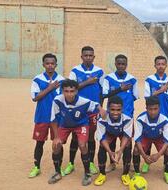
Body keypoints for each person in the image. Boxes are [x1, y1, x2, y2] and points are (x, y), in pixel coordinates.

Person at [48, 79, 106, 186]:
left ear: (76, 91)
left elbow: (95, 104)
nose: (69, 94)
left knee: (82, 145)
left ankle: (87, 173)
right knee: (56, 145)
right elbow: (53, 119)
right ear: (62, 91)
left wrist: (101, 109)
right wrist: (56, 137)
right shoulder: (57, 100)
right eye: (66, 91)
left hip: (81, 125)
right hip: (65, 125)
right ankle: (57, 172)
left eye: (72, 91)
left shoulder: (83, 101)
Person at [65, 46, 104, 175]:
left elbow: (102, 92)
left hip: (93, 111)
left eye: (90, 55)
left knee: (91, 138)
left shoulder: (99, 72)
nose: (88, 57)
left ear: (94, 57)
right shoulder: (75, 71)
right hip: (78, 110)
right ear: (81, 56)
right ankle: (71, 163)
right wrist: (87, 82)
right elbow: (71, 89)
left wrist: (100, 107)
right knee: (75, 137)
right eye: (85, 55)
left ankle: (91, 163)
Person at [28, 53, 64, 178]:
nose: (50, 66)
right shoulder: (37, 79)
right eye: (47, 63)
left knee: (58, 143)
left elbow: (65, 98)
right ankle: (37, 167)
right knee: (39, 143)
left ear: (56, 65)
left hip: (57, 118)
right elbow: (35, 97)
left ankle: (58, 169)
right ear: (43, 64)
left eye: (52, 63)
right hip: (42, 116)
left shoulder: (61, 79)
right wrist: (50, 88)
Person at [102, 54, 139, 172]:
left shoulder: (133, 80)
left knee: (127, 140)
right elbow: (104, 95)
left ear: (126, 65)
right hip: (112, 116)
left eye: (123, 64)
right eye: (119, 63)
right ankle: (112, 163)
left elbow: (134, 96)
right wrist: (119, 90)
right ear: (115, 64)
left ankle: (128, 164)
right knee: (111, 139)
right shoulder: (108, 78)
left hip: (127, 116)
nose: (121, 66)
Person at [142, 55, 168, 173]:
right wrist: (161, 91)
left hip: (164, 115)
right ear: (155, 65)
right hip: (150, 115)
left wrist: (163, 94)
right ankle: (147, 162)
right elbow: (147, 98)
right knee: (149, 137)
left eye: (163, 64)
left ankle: (167, 167)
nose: (160, 66)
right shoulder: (149, 80)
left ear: (166, 65)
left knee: (165, 140)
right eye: (158, 64)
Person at [133, 96, 168, 185]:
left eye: (155, 109)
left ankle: (166, 172)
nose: (153, 112)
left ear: (159, 108)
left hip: (159, 138)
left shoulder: (164, 119)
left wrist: (158, 155)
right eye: (150, 109)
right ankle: (137, 173)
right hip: (146, 137)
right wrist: (144, 156)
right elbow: (137, 139)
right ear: (146, 108)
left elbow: (167, 140)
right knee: (136, 149)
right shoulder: (140, 119)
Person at [94, 96, 133, 186]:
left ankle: (125, 174)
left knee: (127, 144)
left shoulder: (127, 118)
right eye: (112, 109)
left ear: (122, 109)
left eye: (118, 110)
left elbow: (126, 136)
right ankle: (102, 174)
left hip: (121, 132)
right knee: (102, 146)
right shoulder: (102, 118)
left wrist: (120, 151)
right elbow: (102, 138)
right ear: (108, 108)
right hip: (109, 133)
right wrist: (110, 152)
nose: (115, 113)